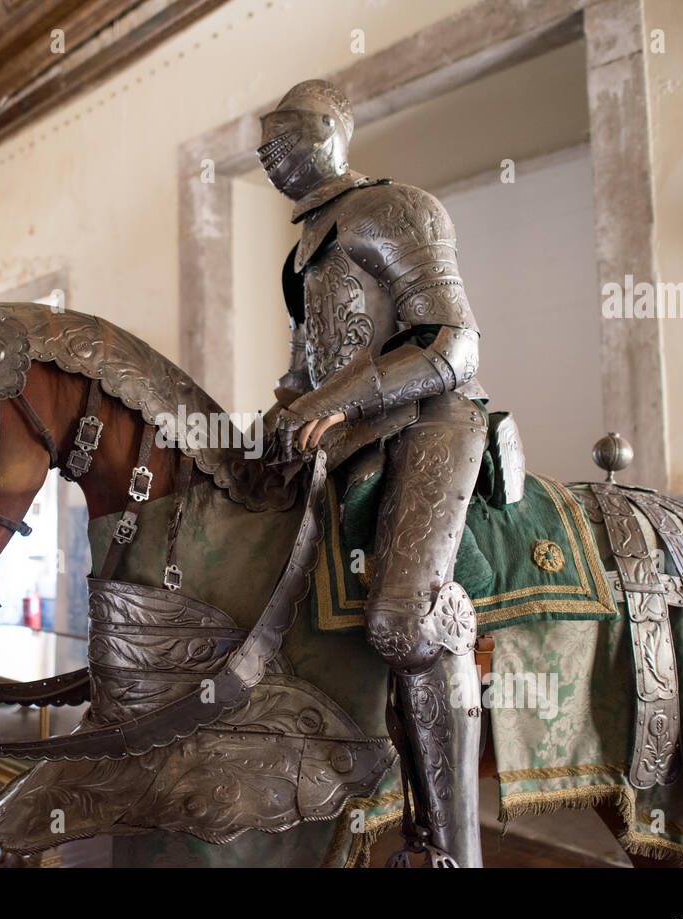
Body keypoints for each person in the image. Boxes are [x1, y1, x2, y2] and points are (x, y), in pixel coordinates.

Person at [260, 79, 487, 866]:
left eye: (282, 132)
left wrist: (338, 397)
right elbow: (302, 371)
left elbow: (453, 345)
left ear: (328, 130)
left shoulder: (396, 209)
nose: (266, 149)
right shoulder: (305, 245)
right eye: (263, 139)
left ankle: (452, 845)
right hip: (350, 433)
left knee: (402, 620)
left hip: (430, 421)